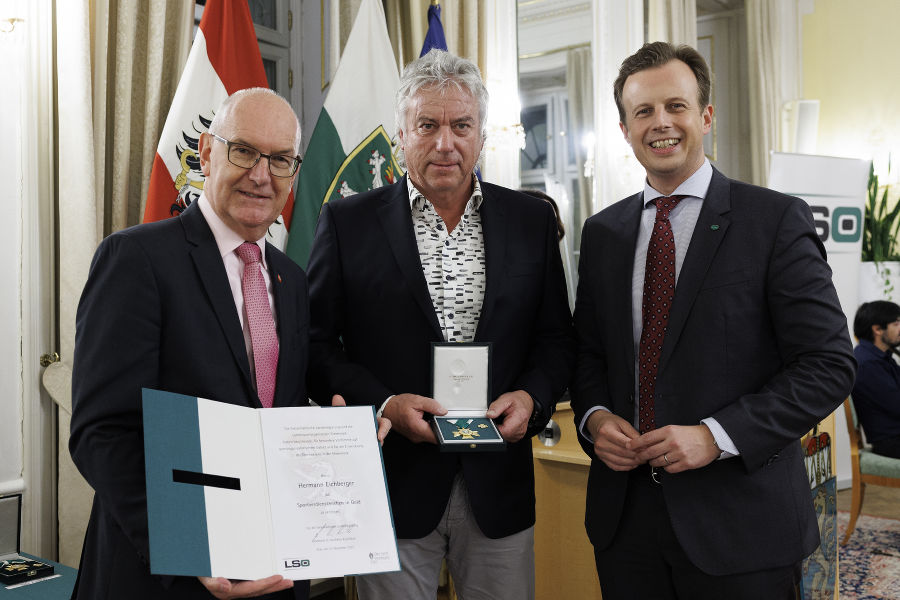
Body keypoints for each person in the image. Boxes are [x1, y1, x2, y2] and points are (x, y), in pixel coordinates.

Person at [570, 42, 856, 599]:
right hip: (625, 525)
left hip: (741, 525)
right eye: (643, 112)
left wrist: (716, 437)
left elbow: (828, 365)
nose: (661, 124)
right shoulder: (602, 234)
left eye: (676, 106)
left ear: (705, 115)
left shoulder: (773, 220)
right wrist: (596, 419)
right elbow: (588, 355)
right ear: (625, 129)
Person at [306, 49, 574, 600]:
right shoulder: (347, 223)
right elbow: (313, 346)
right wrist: (383, 403)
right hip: (392, 485)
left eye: (461, 125)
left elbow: (557, 340)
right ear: (401, 135)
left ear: (481, 134)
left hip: (499, 486)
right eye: (427, 125)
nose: (445, 143)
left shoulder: (531, 221)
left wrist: (532, 398)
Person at [70, 88, 311, 600]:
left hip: (269, 572)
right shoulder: (136, 259)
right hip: (162, 580)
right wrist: (187, 547)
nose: (261, 175)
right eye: (243, 150)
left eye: (281, 160)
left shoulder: (291, 279)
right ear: (205, 152)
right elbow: (102, 433)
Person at [851, 300, 900, 458]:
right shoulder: (868, 363)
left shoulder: (880, 358)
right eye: (896, 323)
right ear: (877, 329)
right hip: (892, 443)